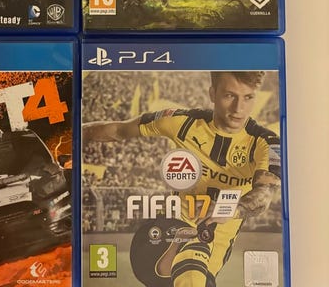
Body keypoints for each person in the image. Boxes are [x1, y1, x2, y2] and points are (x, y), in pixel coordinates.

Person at [83, 71, 281, 287]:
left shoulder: (267, 142)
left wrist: (232, 210)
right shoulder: (183, 122)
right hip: (164, 238)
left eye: (248, 97)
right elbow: (119, 130)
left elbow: (265, 194)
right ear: (212, 94)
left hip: (212, 254)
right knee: (192, 256)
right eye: (229, 96)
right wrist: (72, 135)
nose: (238, 108)